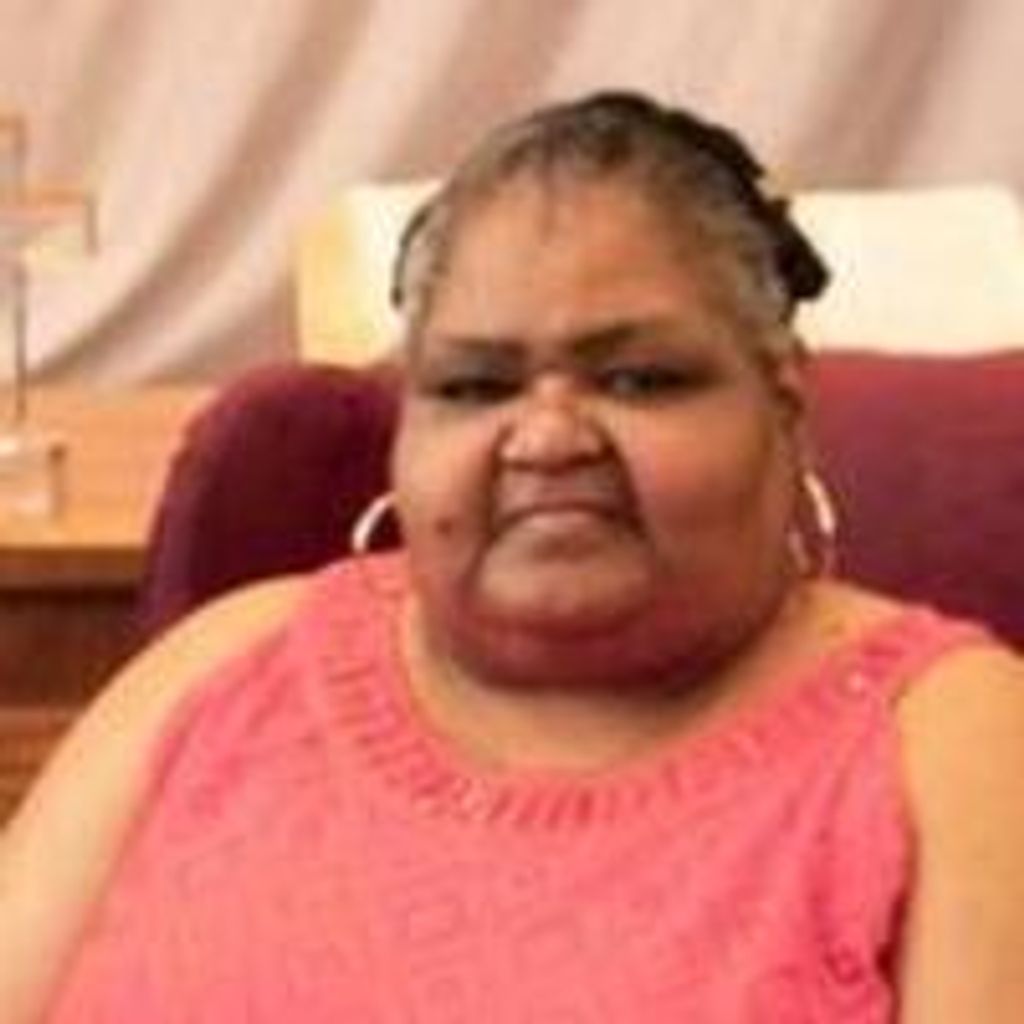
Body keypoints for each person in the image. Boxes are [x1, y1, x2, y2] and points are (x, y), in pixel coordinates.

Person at [3, 91, 1023, 1022]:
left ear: (784, 402)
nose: (546, 438)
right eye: (474, 387)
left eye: (638, 379)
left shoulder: (947, 739)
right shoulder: (226, 664)